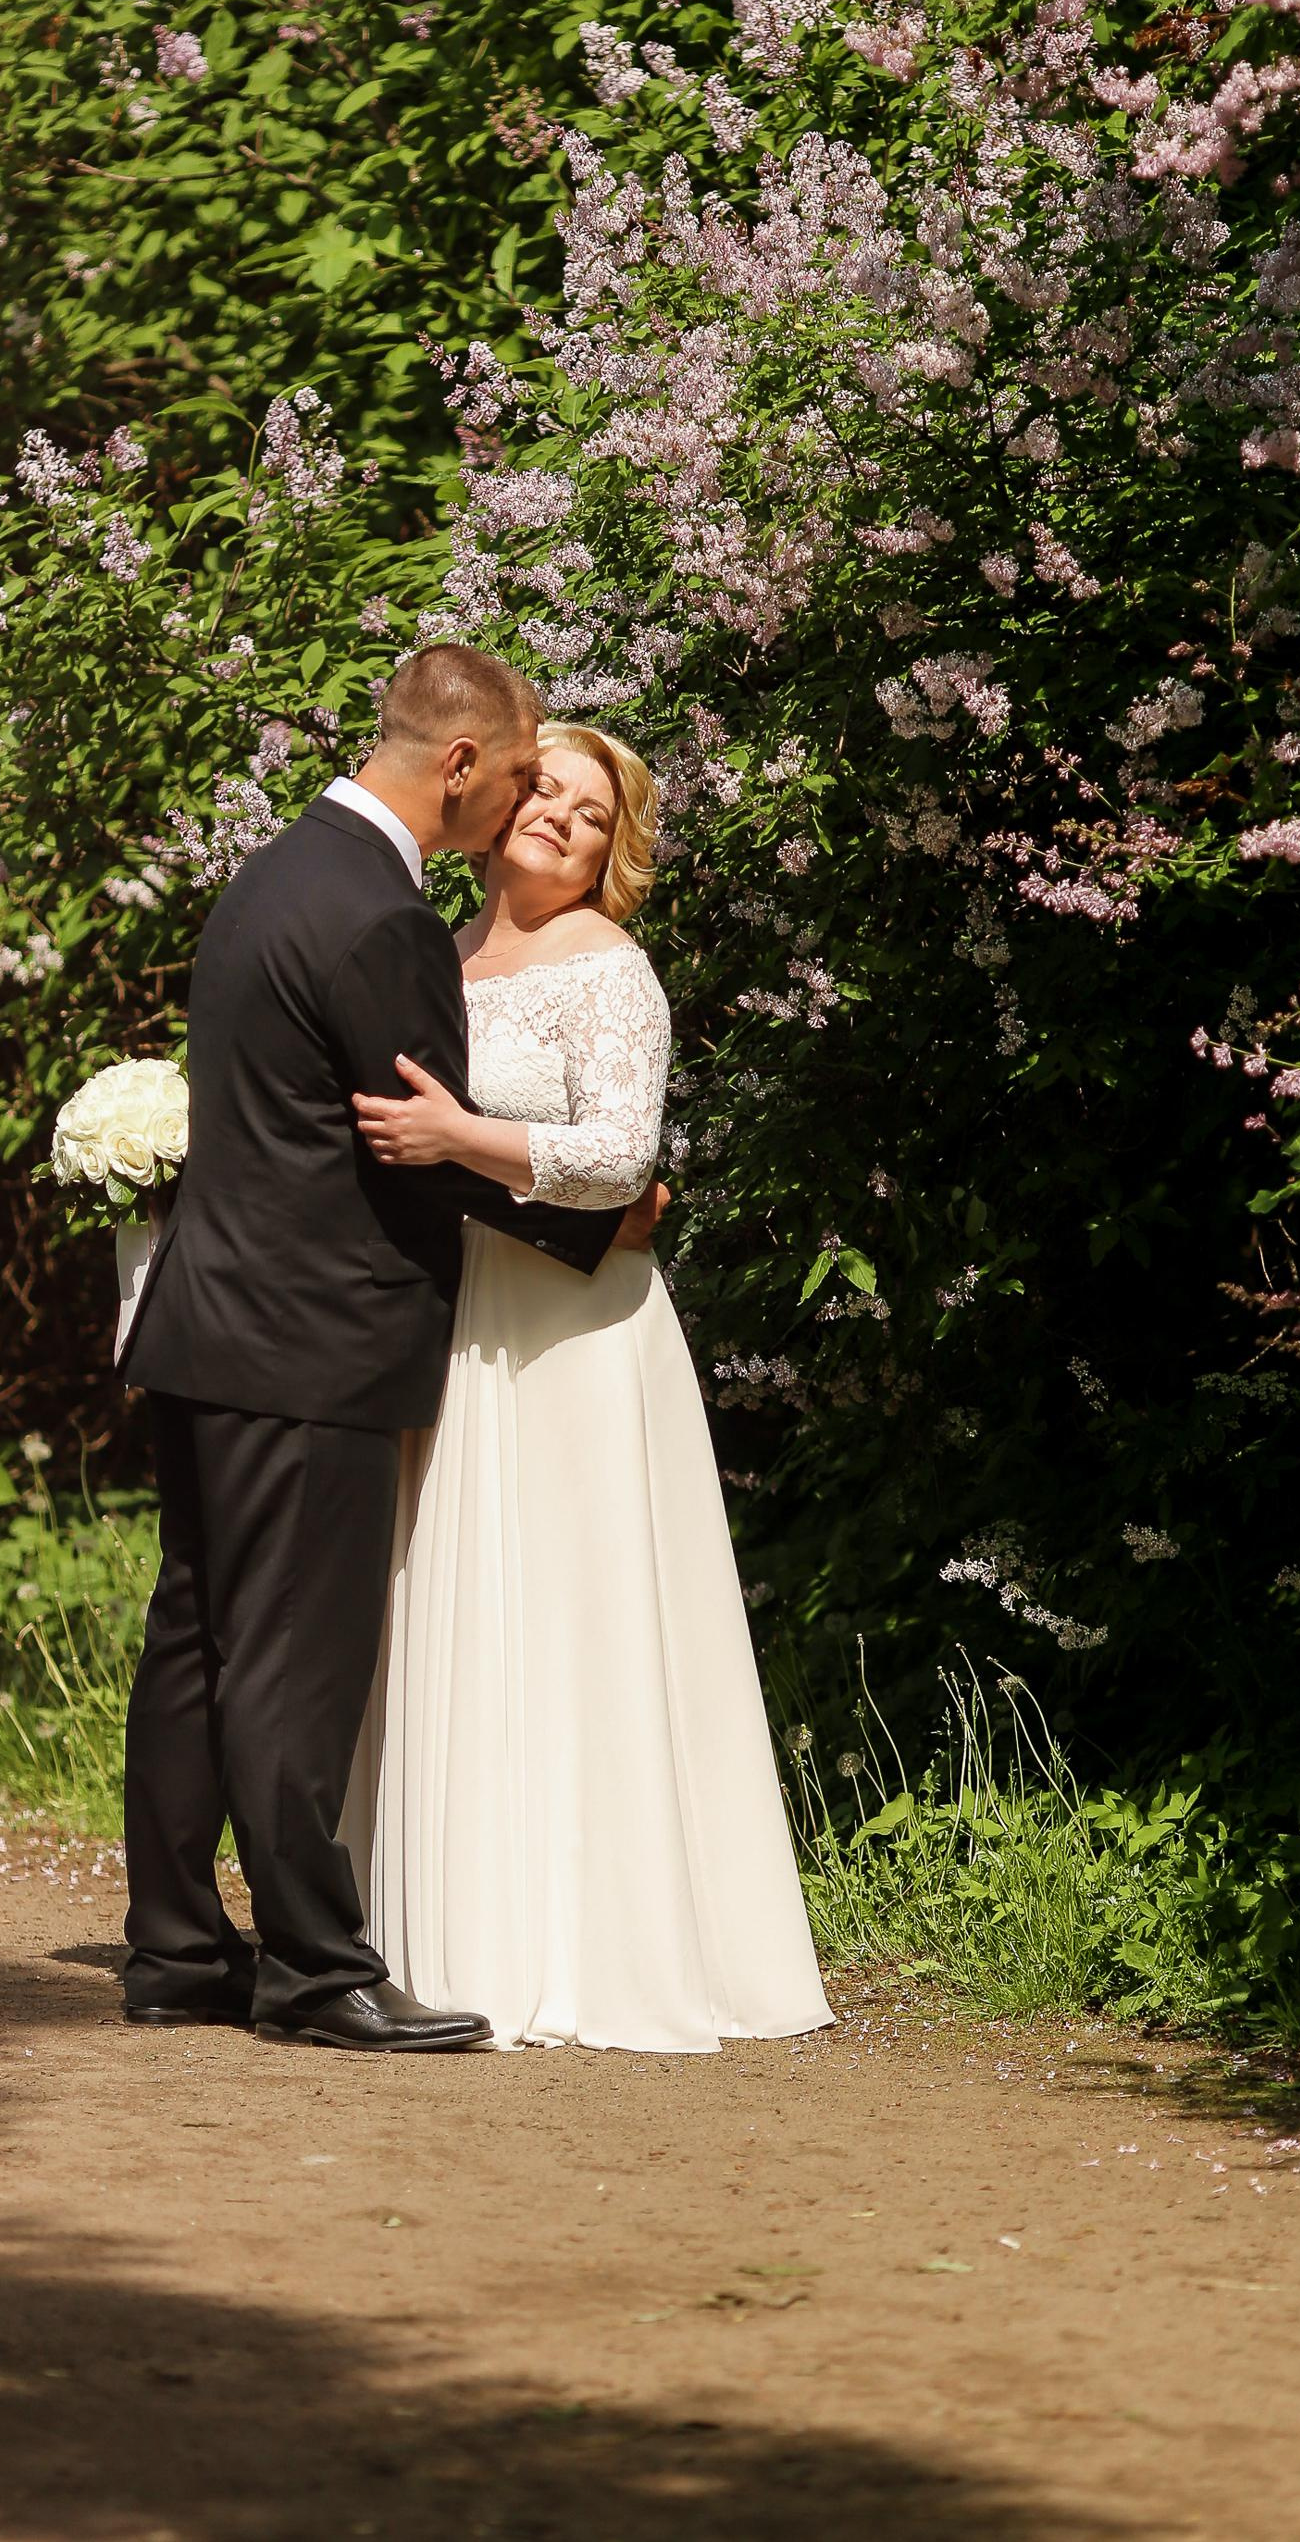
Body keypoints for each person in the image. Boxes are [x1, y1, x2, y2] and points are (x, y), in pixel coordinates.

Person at [116, 648, 659, 2051]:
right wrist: (602, 1220)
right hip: (313, 1343)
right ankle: (312, 1969)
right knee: (294, 1657)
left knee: (197, 1641)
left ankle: (176, 1950)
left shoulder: (270, 876)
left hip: (206, 1322)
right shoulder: (387, 923)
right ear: (461, 768)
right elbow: (408, 1147)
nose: (529, 798)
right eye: (521, 771)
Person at [346, 723, 831, 2053]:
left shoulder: (610, 971)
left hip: (575, 1335)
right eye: (546, 792)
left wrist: (458, 1137)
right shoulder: (441, 962)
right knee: (474, 1601)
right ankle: (453, 1931)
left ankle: (601, 1942)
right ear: (496, 804)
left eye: (595, 813)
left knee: (581, 1610)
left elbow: (620, 1160)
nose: (563, 819)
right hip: (463, 1326)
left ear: (617, 851)